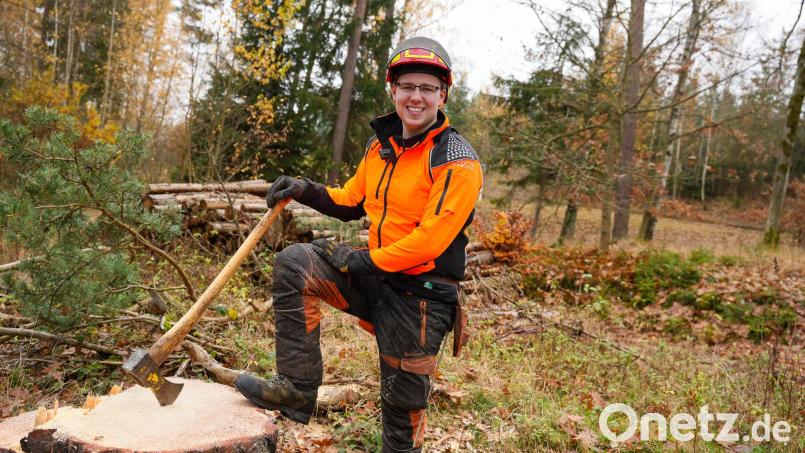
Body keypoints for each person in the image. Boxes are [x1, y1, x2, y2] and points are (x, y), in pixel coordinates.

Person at [234, 36, 483, 452]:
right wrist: (304, 189)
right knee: (296, 264)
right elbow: (352, 201)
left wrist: (359, 261)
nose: (416, 97)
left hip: (421, 298)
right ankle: (296, 388)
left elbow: (431, 242)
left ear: (443, 94)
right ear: (393, 90)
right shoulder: (381, 147)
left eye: (427, 88)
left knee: (401, 416)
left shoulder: (456, 159)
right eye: (407, 86)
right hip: (377, 278)